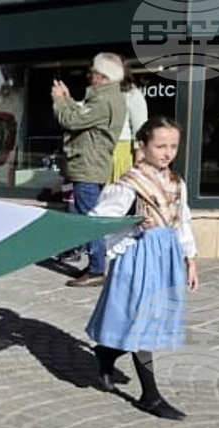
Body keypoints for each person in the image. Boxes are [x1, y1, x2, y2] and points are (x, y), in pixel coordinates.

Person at [86, 117, 199, 420]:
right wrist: (133, 222)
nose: (167, 152)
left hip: (167, 256)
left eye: (173, 146)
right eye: (160, 146)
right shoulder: (130, 183)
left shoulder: (176, 182)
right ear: (143, 146)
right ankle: (150, 395)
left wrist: (191, 260)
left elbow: (183, 222)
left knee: (152, 321)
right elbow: (99, 218)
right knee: (144, 324)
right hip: (140, 256)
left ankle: (106, 353)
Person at [52, 52, 126, 287]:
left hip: (88, 166)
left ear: (103, 76)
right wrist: (69, 99)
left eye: (93, 72)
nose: (89, 76)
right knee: (91, 215)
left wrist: (59, 100)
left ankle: (96, 270)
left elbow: (70, 121)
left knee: (88, 219)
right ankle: (96, 264)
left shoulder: (103, 101)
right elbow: (82, 118)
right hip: (94, 165)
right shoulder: (108, 98)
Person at [112, 59, 149, 183]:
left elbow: (141, 128)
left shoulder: (132, 94)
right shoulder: (99, 94)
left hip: (121, 152)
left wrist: (140, 160)